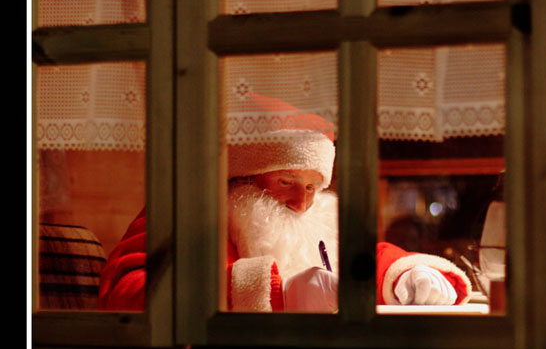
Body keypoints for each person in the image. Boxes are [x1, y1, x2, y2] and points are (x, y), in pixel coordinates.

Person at [98, 93, 472, 312]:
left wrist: (404, 274)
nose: (300, 203)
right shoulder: (184, 214)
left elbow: (360, 263)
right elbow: (127, 293)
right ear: (243, 176)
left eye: (312, 187)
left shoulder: (313, 219)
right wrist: (277, 293)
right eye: (286, 182)